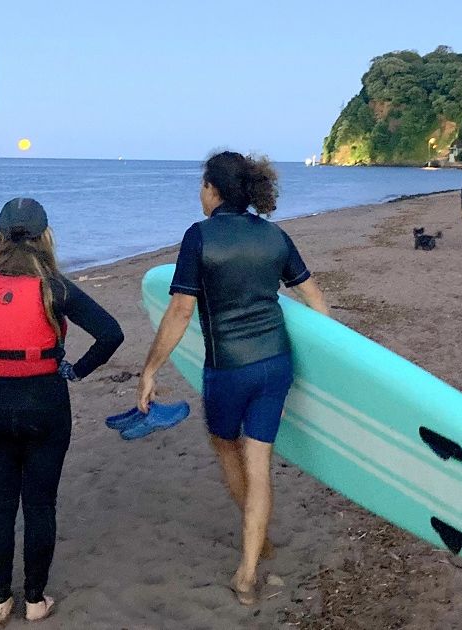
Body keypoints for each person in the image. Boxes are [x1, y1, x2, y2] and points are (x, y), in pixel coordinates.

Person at [137, 151, 329, 606]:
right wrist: (323, 369)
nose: (199, 193)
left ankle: (257, 542)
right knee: (259, 461)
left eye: (202, 185)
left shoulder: (199, 238)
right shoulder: (275, 236)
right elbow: (315, 300)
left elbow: (181, 311)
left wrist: (150, 369)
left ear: (214, 190)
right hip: (276, 362)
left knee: (226, 446)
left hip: (228, 369)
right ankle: (249, 568)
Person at [0, 197, 124, 625]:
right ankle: (37, 602)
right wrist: (76, 371)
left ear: (0, 236)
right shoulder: (54, 285)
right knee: (40, 505)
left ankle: (1, 601)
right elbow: (111, 333)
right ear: (45, 236)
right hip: (45, 403)